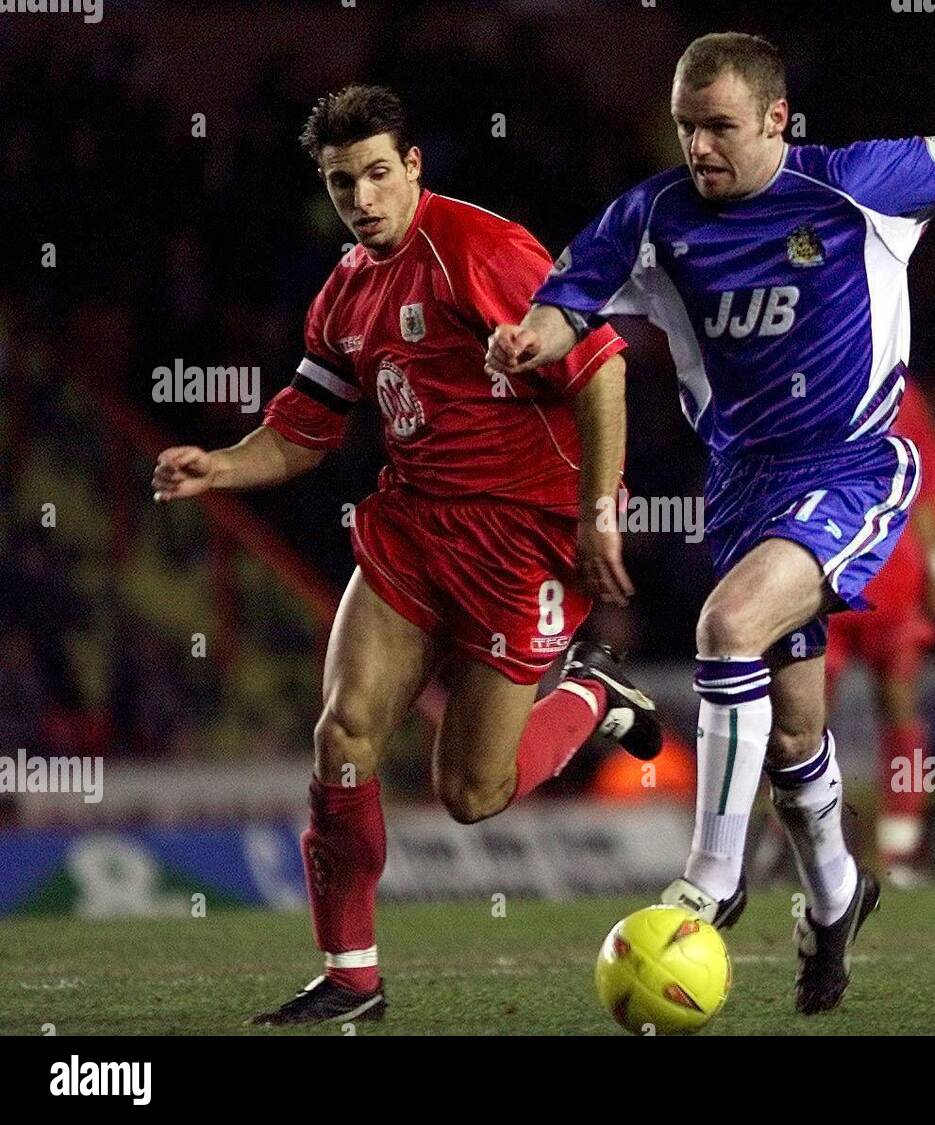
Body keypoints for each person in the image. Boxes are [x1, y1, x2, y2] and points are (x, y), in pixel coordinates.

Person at [486, 32, 935, 1014]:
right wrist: (530, 339)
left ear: (776, 120)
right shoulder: (650, 216)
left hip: (856, 467)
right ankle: (835, 896)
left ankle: (712, 880)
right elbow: (568, 302)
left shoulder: (857, 185)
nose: (700, 148)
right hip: (741, 487)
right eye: (688, 127)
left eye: (720, 127)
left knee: (725, 628)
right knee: (794, 735)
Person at [151, 85, 660, 1026]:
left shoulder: (483, 251)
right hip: (415, 526)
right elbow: (306, 427)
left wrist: (599, 510)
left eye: (379, 174)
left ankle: (594, 696)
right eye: (344, 182)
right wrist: (218, 465)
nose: (364, 198)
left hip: (525, 542)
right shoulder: (344, 291)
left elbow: (603, 365)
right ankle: (352, 975)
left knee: (471, 791)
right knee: (342, 733)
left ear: (414, 165)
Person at [824, 380, 935, 889]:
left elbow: (926, 484)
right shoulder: (813, 367)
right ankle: (795, 844)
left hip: (894, 572)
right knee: (803, 715)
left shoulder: (903, 392)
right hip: (825, 568)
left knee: (899, 704)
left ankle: (898, 850)